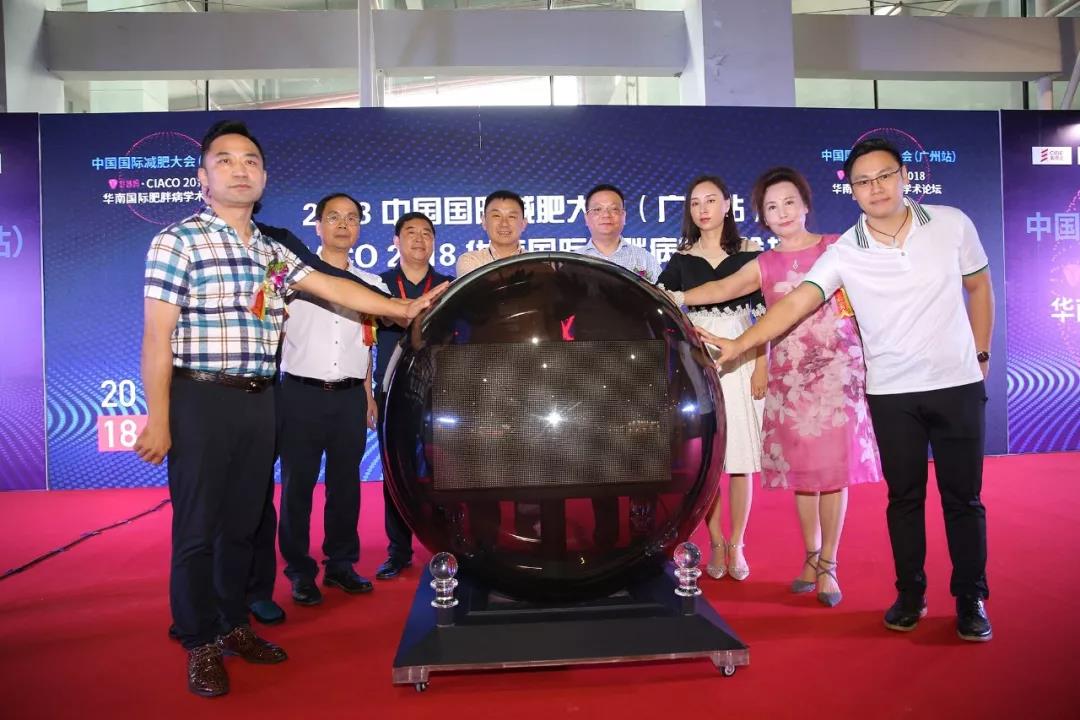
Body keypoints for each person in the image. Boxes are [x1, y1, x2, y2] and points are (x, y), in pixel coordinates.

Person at [134, 120, 446, 698]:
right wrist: (159, 417)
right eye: (225, 160)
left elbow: (334, 287)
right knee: (198, 530)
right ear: (203, 177)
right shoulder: (178, 242)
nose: (240, 169)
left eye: (250, 160)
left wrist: (403, 311)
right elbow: (157, 337)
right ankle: (199, 641)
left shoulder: (272, 250)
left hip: (260, 400)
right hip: (200, 398)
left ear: (264, 177)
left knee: (242, 525)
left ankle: (233, 625)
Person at [697, 139, 994, 642]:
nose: (875, 188)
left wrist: (981, 356)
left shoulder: (952, 223)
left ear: (904, 176)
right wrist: (741, 345)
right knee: (904, 499)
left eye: (884, 176)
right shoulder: (845, 250)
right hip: (891, 391)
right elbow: (796, 303)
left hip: (956, 384)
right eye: (863, 181)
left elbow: (979, 286)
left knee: (963, 499)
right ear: (851, 190)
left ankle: (970, 599)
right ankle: (911, 595)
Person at [677, 167, 882, 606]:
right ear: (762, 217)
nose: (782, 212)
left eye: (789, 202)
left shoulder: (837, 248)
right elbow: (722, 288)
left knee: (834, 473)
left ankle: (829, 563)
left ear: (806, 204)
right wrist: (677, 296)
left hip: (837, 373)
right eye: (772, 207)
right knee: (804, 475)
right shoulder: (765, 263)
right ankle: (810, 557)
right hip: (791, 378)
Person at [277, 193, 390, 606]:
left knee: (346, 487)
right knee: (298, 487)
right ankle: (299, 570)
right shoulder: (291, 279)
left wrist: (367, 394)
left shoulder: (372, 285)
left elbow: (367, 343)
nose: (343, 225)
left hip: (349, 398)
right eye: (334, 217)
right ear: (318, 226)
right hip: (300, 395)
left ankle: (341, 564)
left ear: (359, 227)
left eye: (351, 218)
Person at [659, 175, 765, 582]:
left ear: (727, 204)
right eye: (695, 203)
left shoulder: (751, 252)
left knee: (740, 460)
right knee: (710, 459)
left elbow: (766, 316)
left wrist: (762, 365)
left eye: (711, 200)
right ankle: (716, 540)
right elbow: (662, 306)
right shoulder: (681, 259)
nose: (703, 209)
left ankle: (738, 543)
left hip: (741, 357)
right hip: (698, 361)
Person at [373, 212, 453, 580]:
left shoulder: (449, 285)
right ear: (396, 240)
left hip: (442, 391)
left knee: (446, 471)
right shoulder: (379, 285)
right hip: (392, 390)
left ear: (434, 241)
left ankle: (449, 545)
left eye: (426, 233)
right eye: (410, 233)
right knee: (396, 471)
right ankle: (398, 551)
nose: (419, 239)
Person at [575, 183, 660, 282]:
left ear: (623, 216)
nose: (606, 215)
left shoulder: (645, 259)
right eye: (597, 209)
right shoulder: (574, 262)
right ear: (586, 218)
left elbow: (662, 291)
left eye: (614, 209)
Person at [456, 190, 527, 276]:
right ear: (484, 222)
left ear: (523, 224)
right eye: (496, 216)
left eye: (511, 216)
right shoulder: (471, 260)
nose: (504, 223)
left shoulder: (535, 262)